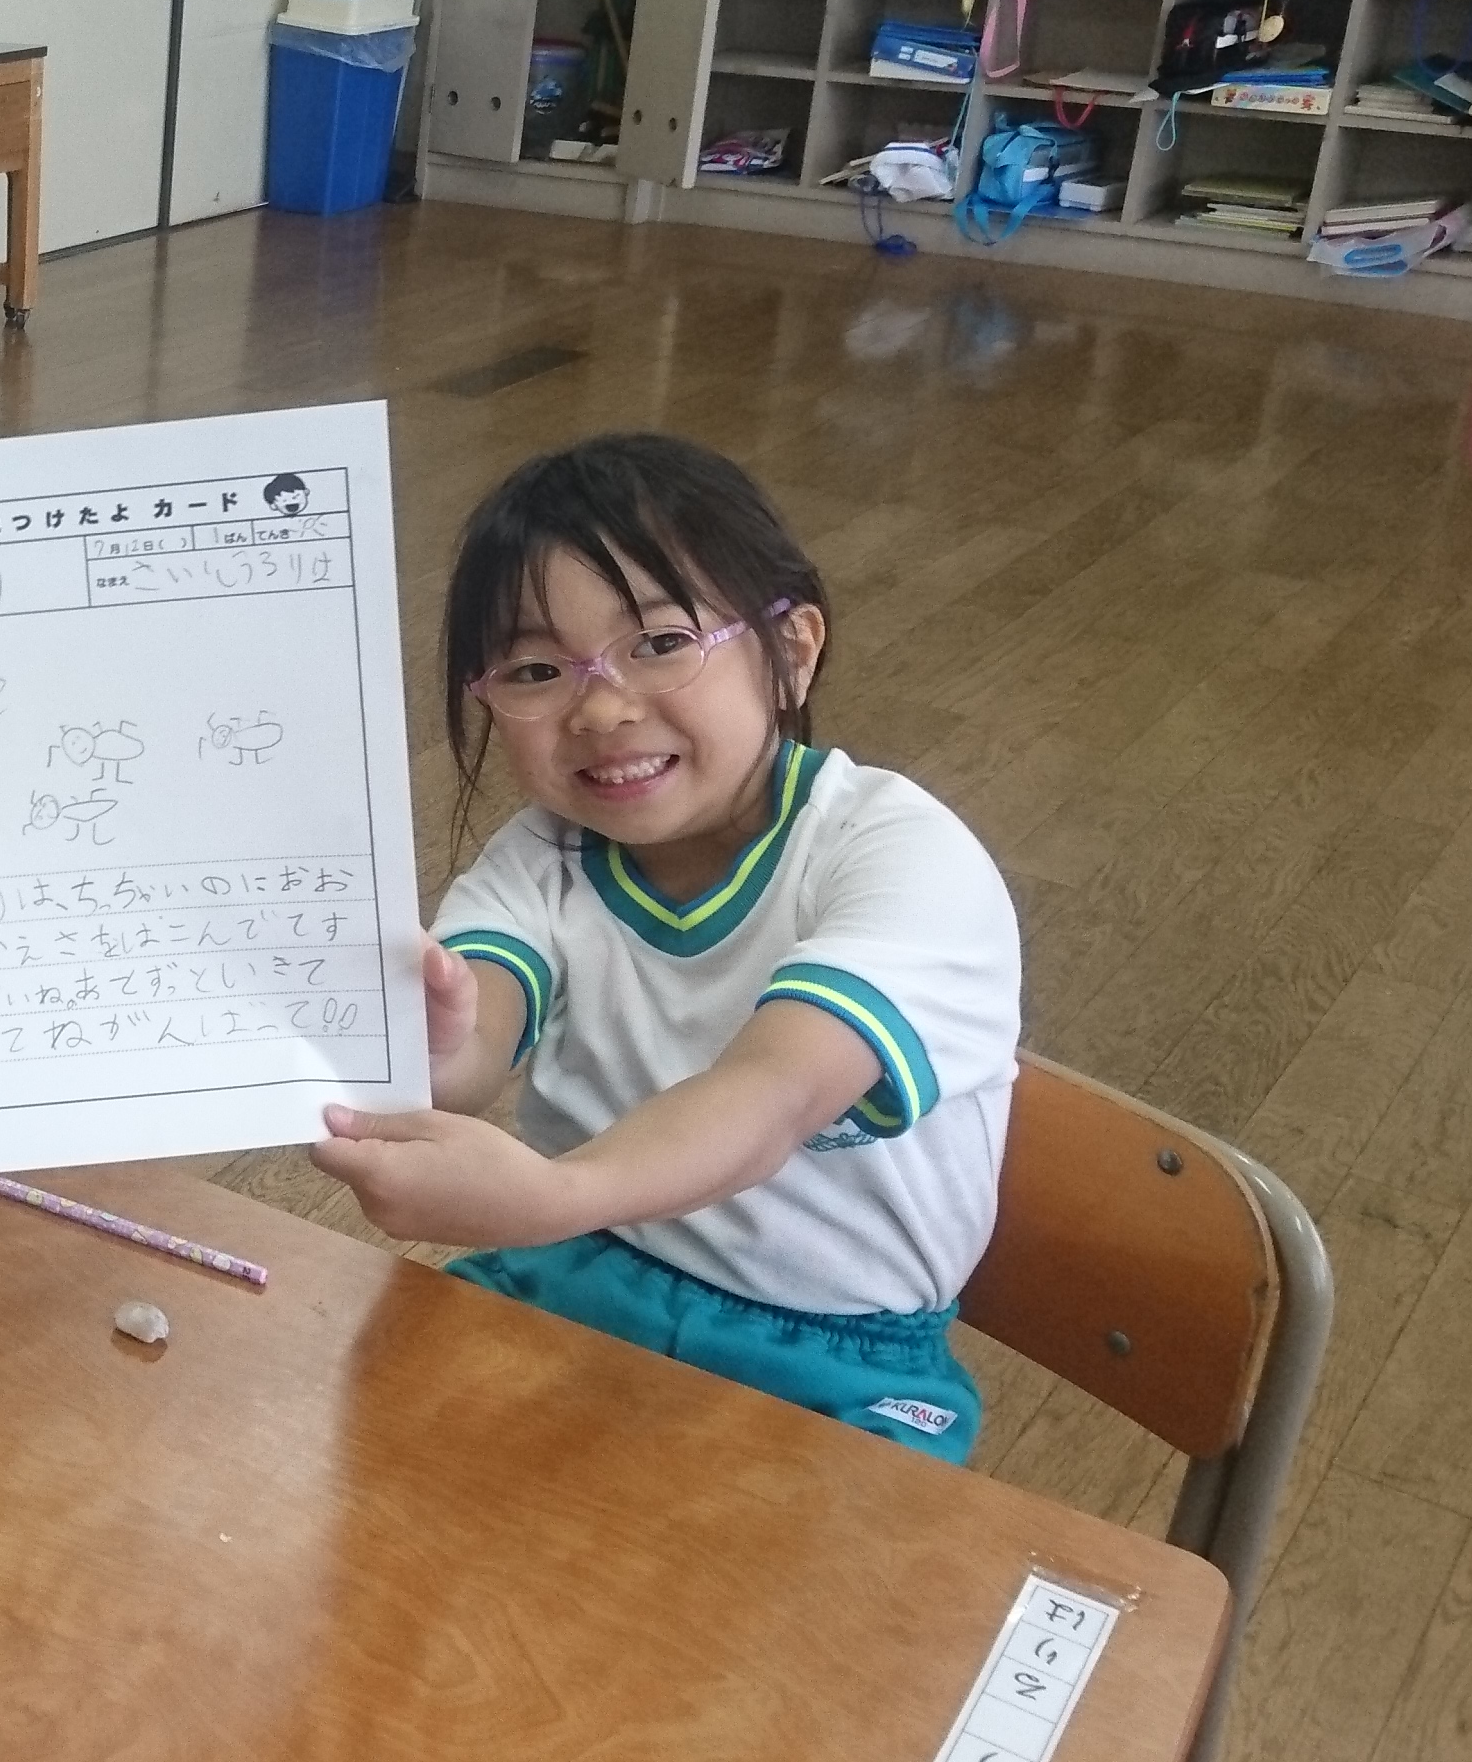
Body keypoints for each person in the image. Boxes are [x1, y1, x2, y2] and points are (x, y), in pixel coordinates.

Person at [311, 433, 1020, 1463]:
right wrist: (418, 1053)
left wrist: (555, 1195)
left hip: (839, 1366)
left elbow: (772, 1095)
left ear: (793, 650)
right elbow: (473, 1039)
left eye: (659, 643)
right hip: (572, 1277)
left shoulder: (900, 853)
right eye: (536, 669)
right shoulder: (542, 857)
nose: (601, 707)